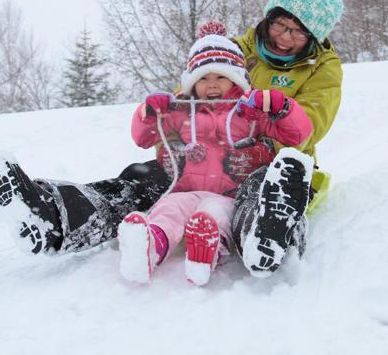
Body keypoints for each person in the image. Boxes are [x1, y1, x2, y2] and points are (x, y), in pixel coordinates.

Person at [0, 0, 343, 277]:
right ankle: (52, 215)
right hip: (201, 161)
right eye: (280, 25)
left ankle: (265, 232)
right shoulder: (236, 49)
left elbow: (310, 126)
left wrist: (272, 120)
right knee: (141, 181)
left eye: (298, 33)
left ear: (312, 38)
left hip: (267, 159)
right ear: (268, 19)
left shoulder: (322, 68)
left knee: (254, 191)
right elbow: (187, 100)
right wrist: (169, 131)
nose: (285, 36)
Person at [117, 22, 313, 285]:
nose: (211, 86)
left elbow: (298, 135)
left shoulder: (250, 112)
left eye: (220, 77)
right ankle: (151, 246)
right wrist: (148, 113)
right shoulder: (182, 111)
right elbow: (142, 138)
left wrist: (281, 107)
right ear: (191, 83)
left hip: (229, 195)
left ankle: (206, 254)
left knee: (213, 215)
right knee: (168, 209)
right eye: (203, 79)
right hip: (186, 191)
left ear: (235, 78)